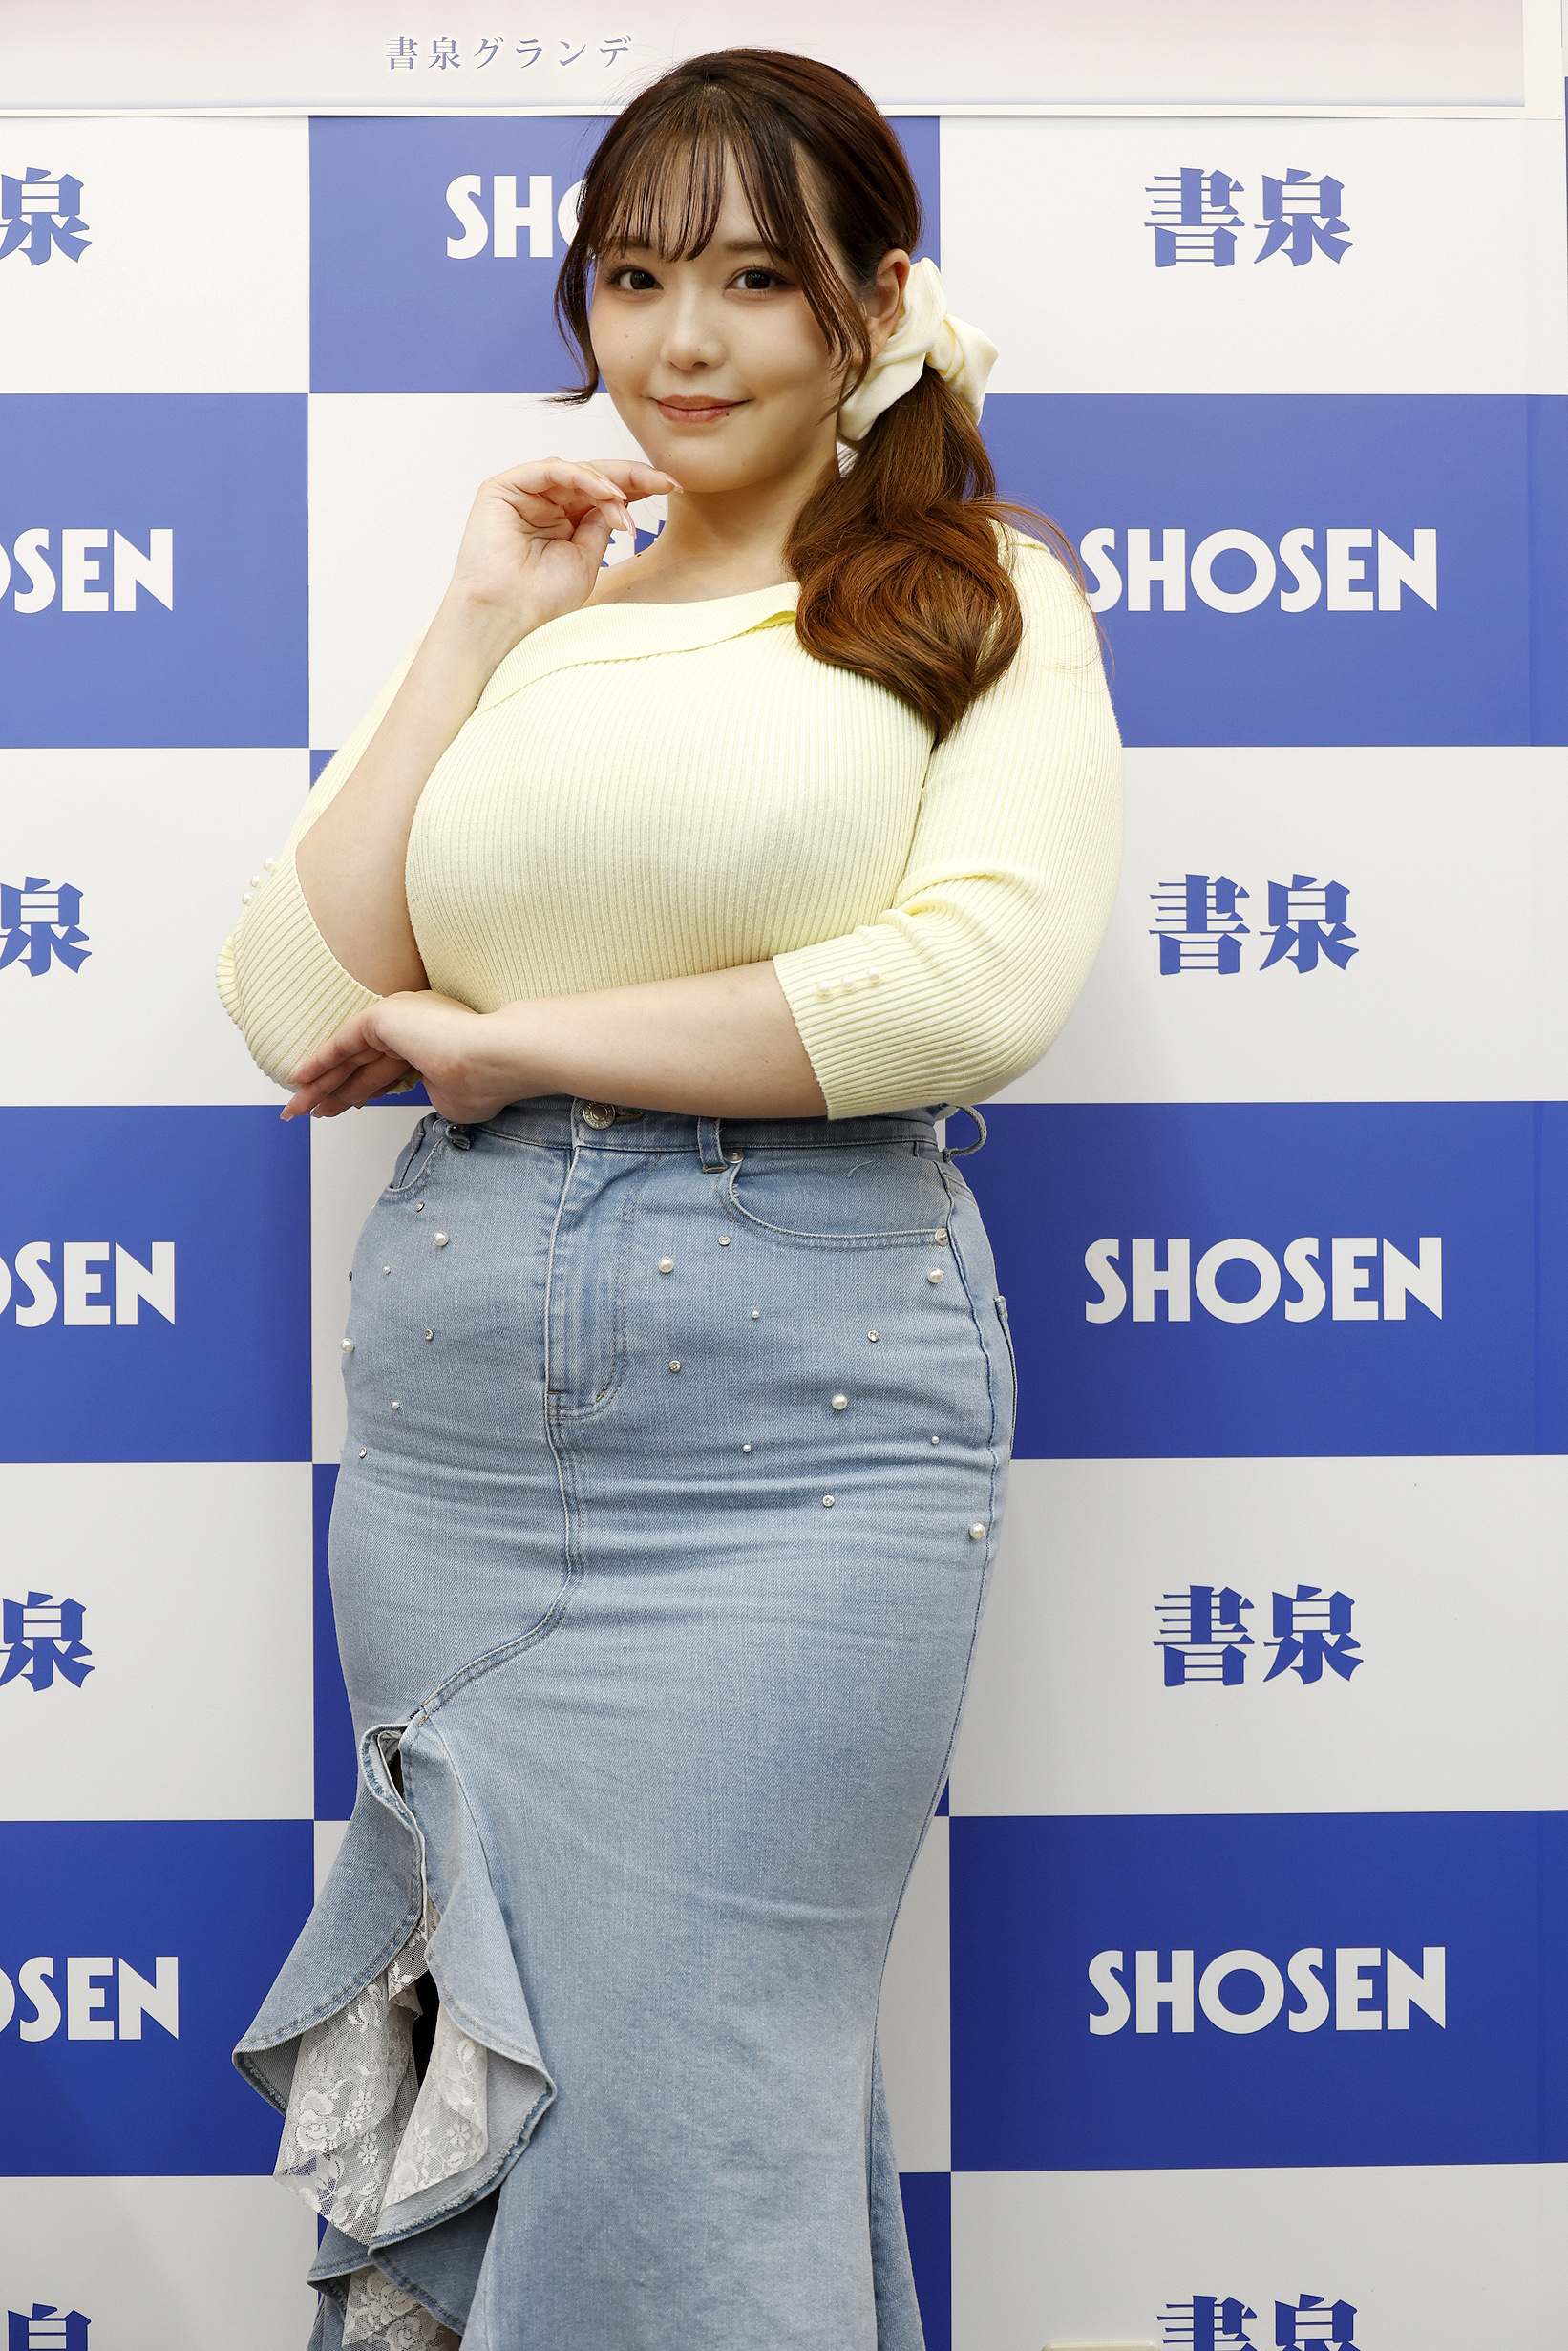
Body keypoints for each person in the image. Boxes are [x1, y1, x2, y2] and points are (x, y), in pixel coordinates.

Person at [219, 47, 1121, 2351]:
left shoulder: (973, 595)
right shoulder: (547, 627)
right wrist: (474, 618)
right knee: (494, 2098)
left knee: (694, 2108)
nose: (680, 341)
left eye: (750, 279)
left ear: (873, 304)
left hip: (797, 1432)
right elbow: (293, 997)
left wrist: (517, 1040)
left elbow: (967, 992)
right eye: (631, 280)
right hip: (456, 1441)